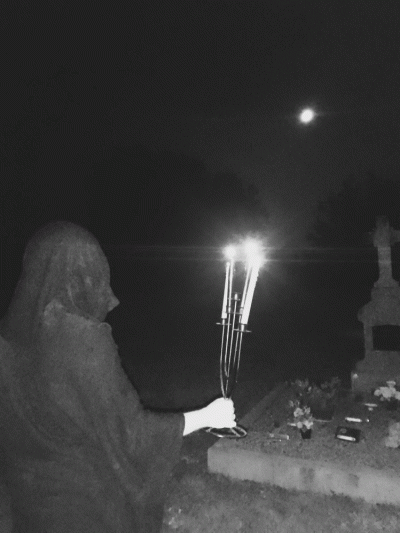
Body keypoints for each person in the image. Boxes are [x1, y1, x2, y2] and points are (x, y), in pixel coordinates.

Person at [0, 221, 236, 533]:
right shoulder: (83, 341)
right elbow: (132, 433)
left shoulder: (7, 343)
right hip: (86, 512)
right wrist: (207, 416)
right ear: (83, 275)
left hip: (30, 510)